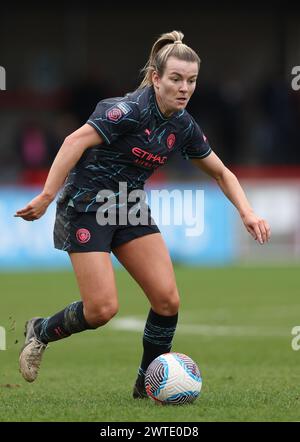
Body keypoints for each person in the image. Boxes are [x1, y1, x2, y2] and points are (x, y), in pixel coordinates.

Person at [15, 30, 271, 399]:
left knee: (167, 301)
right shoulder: (125, 111)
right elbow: (73, 142)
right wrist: (46, 196)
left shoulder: (182, 125)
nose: (185, 88)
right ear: (155, 77)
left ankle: (145, 385)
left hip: (129, 208)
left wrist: (247, 211)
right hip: (86, 207)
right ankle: (40, 331)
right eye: (176, 79)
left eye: (192, 80)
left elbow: (220, 171)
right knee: (102, 309)